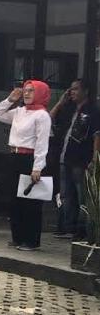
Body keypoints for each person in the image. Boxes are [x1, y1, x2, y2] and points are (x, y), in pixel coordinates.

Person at [0, 80, 52, 251]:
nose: (26, 93)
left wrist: (37, 167)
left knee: (30, 201)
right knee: (14, 199)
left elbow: (42, 143)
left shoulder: (42, 115)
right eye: (25, 90)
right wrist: (10, 100)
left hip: (29, 158)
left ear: (40, 93)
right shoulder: (20, 111)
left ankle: (31, 240)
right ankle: (17, 237)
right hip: (15, 156)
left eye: (31, 90)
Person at [50, 78, 100, 241]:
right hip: (65, 157)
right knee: (65, 194)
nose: (72, 92)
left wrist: (95, 158)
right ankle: (68, 226)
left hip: (81, 158)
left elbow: (97, 135)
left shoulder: (92, 110)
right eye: (71, 89)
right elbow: (49, 119)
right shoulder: (68, 109)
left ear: (85, 91)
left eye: (76, 89)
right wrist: (60, 103)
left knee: (81, 195)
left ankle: (82, 229)